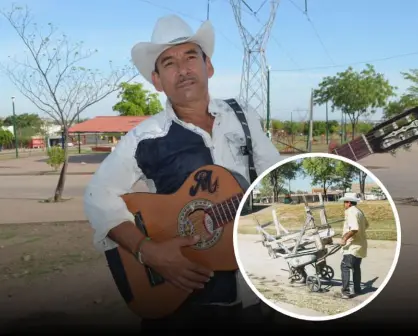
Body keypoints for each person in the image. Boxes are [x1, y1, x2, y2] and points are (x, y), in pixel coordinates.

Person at [83, 14, 282, 332]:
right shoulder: (144, 138)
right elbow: (97, 196)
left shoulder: (243, 117)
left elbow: (278, 176)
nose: (183, 69)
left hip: (258, 290)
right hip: (186, 301)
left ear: (209, 67)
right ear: (158, 80)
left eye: (191, 56)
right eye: (169, 63)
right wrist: (148, 252)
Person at [338, 196, 369, 299]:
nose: (344, 205)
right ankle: (357, 289)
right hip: (360, 245)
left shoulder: (351, 211)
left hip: (352, 245)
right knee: (356, 267)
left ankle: (345, 292)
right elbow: (366, 225)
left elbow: (354, 228)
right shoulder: (359, 211)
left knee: (345, 266)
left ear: (349, 203)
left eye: (345, 202)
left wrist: (344, 238)